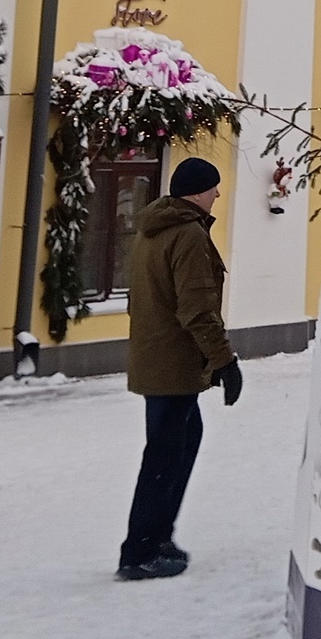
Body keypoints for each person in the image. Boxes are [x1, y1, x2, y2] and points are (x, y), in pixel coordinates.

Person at [118, 154, 243, 581]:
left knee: (182, 441)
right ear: (196, 192)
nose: (218, 195)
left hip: (158, 356)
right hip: (172, 362)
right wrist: (224, 360)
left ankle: (159, 536)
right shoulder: (186, 234)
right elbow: (197, 307)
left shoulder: (154, 231)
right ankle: (139, 550)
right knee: (164, 455)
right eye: (213, 188)